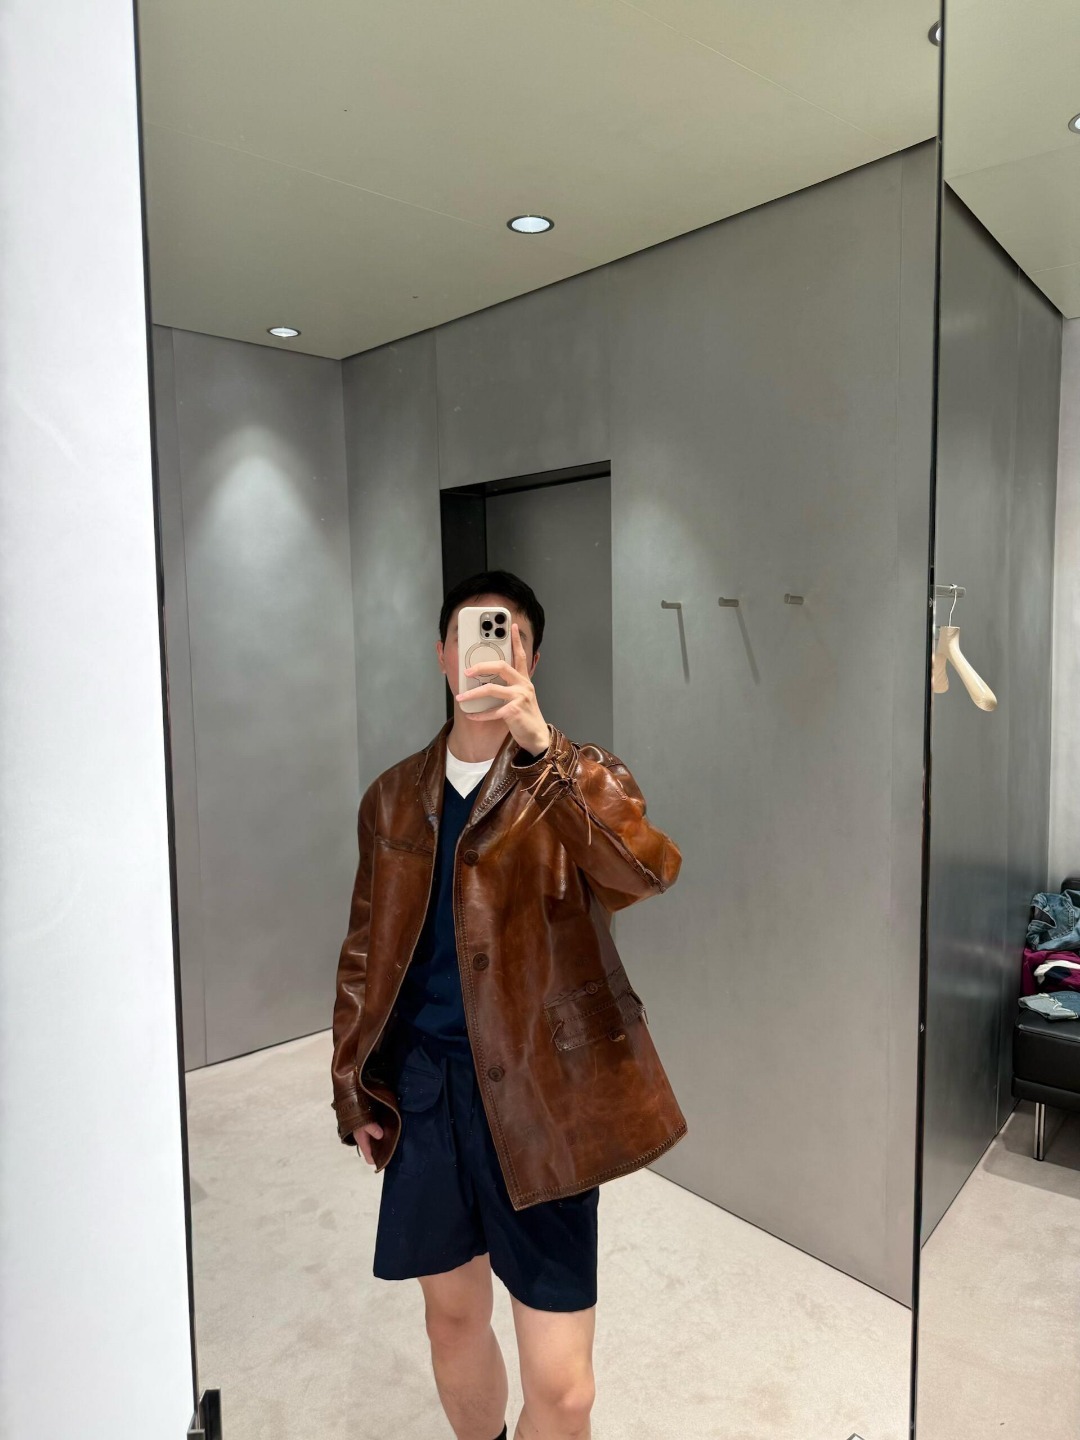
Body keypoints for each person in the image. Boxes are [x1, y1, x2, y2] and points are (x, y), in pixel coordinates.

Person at [330, 569, 686, 1440]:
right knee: (452, 1320)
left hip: (544, 1098)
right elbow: (365, 950)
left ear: (531, 660)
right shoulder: (392, 798)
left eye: (512, 636)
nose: (492, 650)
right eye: (475, 634)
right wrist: (351, 1085)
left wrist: (544, 754)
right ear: (444, 655)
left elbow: (643, 872)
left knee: (565, 1391)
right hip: (427, 1092)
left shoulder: (578, 775)